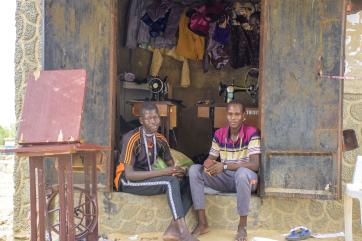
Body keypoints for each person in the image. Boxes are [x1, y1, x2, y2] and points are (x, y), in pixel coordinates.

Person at [114, 102, 198, 241]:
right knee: (169, 181)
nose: (153, 121)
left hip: (147, 178)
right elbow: (130, 175)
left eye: (156, 117)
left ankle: (172, 229)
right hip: (127, 181)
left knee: (190, 182)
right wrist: (165, 172)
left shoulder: (160, 140)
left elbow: (172, 165)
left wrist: (180, 171)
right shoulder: (132, 138)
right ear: (141, 120)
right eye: (148, 118)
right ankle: (183, 232)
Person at [189, 100, 261, 241]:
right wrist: (208, 164)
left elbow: (255, 165)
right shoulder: (219, 134)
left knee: (241, 174)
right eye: (230, 114)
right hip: (227, 179)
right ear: (226, 116)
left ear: (243, 116)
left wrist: (225, 165)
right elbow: (211, 158)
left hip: (249, 180)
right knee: (194, 170)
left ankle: (242, 227)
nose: (233, 118)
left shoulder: (252, 133)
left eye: (237, 114)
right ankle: (202, 223)